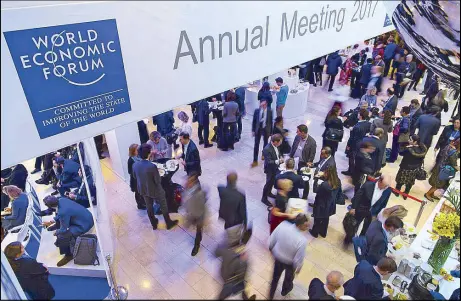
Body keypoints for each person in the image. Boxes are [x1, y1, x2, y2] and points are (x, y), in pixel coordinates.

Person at [132, 143, 178, 230]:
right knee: (163, 205)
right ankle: (168, 223)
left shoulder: (135, 165)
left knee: (149, 206)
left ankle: (154, 224)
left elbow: (135, 176)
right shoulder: (152, 166)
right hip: (155, 190)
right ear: (149, 153)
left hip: (143, 189)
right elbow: (158, 181)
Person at [42, 195, 94, 267]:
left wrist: (57, 232)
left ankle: (69, 255)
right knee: (60, 221)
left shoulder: (62, 212)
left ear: (50, 206)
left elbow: (63, 229)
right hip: (86, 217)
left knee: (62, 236)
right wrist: (52, 221)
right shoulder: (62, 199)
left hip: (83, 225)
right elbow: (60, 214)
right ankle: (57, 228)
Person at [268, 214, 309, 300]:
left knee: (275, 278)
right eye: (306, 225)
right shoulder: (302, 240)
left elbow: (272, 238)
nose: (308, 227)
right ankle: (285, 290)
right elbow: (299, 257)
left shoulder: (283, 225)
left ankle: (270, 296)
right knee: (288, 278)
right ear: (300, 225)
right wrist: (299, 267)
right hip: (290, 263)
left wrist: (271, 248)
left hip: (278, 258)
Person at [215, 226, 256, 300]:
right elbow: (242, 272)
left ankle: (245, 297)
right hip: (232, 280)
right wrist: (243, 261)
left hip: (225, 274)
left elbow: (216, 253)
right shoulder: (241, 257)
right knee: (227, 292)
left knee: (228, 292)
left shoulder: (224, 248)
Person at [310, 165, 340, 238]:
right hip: (330, 204)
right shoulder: (337, 181)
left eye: (325, 172)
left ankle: (315, 233)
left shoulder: (325, 185)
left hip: (321, 204)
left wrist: (316, 179)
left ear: (328, 174)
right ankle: (323, 233)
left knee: (317, 219)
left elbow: (315, 190)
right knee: (326, 219)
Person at [290, 124, 317, 199]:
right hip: (294, 161)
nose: (296, 132)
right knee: (294, 178)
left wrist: (309, 163)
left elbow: (312, 155)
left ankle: (305, 197)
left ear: (303, 133)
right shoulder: (297, 137)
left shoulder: (312, 142)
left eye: (298, 131)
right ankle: (295, 194)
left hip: (303, 164)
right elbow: (293, 147)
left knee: (305, 180)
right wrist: (290, 157)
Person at [183, 173, 207, 256]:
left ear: (194, 183)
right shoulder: (187, 189)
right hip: (191, 214)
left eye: (189, 181)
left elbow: (202, 208)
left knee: (198, 230)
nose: (187, 182)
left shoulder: (199, 193)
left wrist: (199, 218)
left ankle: (197, 245)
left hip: (198, 215)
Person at [343, 109, 371, 176]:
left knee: (351, 158)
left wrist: (348, 145)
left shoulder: (357, 127)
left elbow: (353, 138)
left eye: (358, 114)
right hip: (362, 143)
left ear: (360, 116)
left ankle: (350, 171)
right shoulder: (368, 123)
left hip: (354, 144)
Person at [261, 134, 284, 206]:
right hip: (270, 169)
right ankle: (264, 198)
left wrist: (280, 156)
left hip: (276, 168)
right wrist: (278, 161)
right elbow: (268, 161)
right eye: (280, 142)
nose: (281, 143)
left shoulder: (276, 146)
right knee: (268, 183)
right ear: (275, 142)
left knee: (272, 181)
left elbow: (278, 153)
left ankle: (269, 193)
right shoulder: (267, 149)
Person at [251, 100, 273, 167]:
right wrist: (253, 130)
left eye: (263, 105)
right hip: (258, 129)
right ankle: (255, 161)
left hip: (266, 129)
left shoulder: (270, 111)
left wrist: (271, 132)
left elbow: (271, 122)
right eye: (261, 105)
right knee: (256, 145)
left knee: (265, 143)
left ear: (266, 105)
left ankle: (263, 155)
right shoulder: (257, 111)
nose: (261, 106)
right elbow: (254, 121)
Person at [127, 144, 146, 210]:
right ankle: (140, 205)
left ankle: (144, 202)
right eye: (137, 149)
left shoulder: (140, 156)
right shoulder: (131, 160)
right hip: (136, 180)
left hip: (142, 177)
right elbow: (130, 171)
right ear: (133, 151)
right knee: (138, 192)